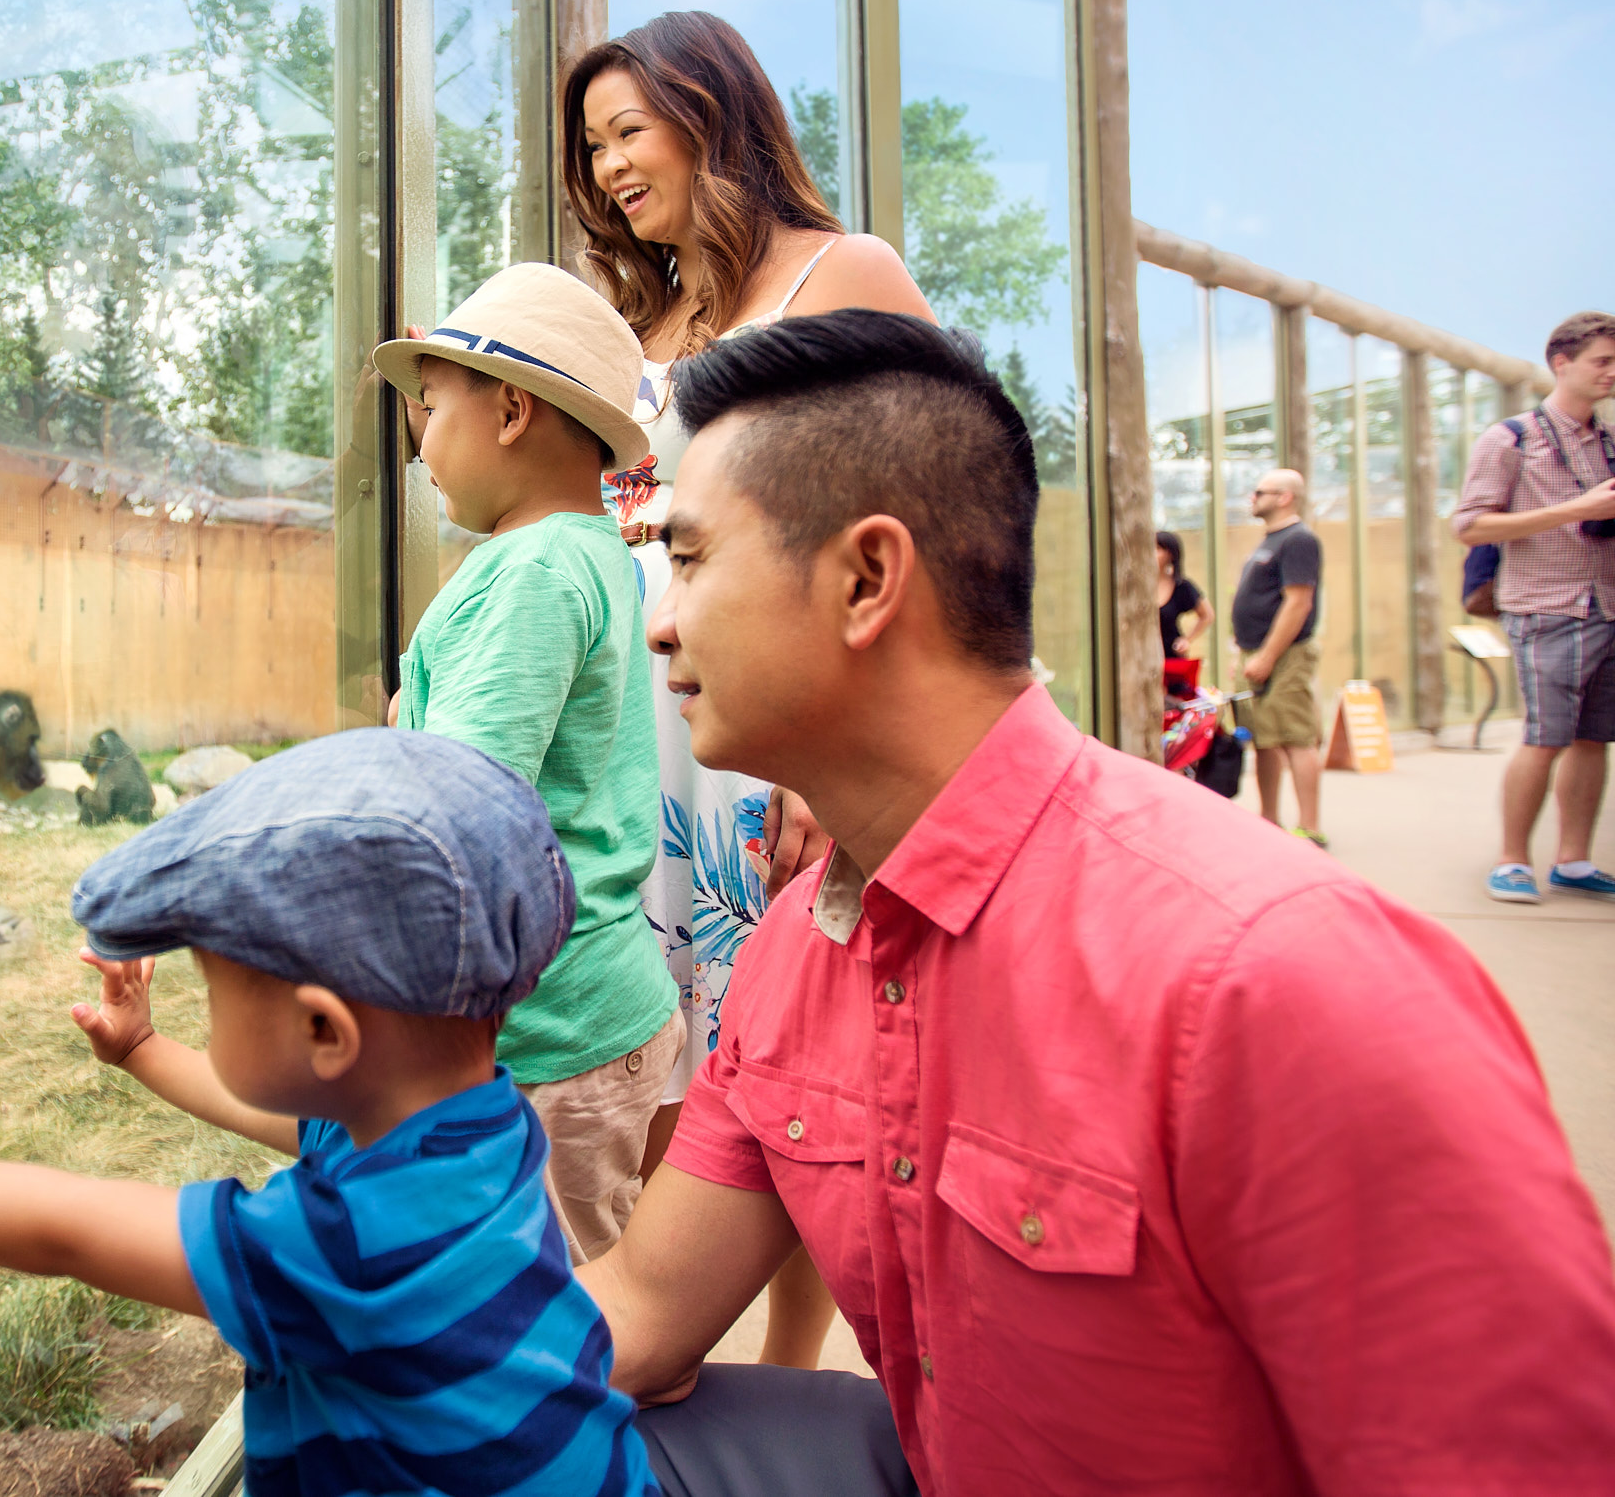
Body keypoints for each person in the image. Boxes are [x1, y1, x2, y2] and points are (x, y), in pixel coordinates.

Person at [573, 308, 1615, 1495]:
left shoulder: (1278, 980)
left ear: (868, 579)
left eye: (693, 560)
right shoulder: (795, 953)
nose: (659, 621)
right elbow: (645, 1312)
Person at [0, 731, 657, 1497]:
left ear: (324, 1028)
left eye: (213, 980)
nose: (204, 994)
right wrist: (141, 1049)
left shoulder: (349, 1247)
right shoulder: (483, 1127)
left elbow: (67, 1232)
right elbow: (302, 1127)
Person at [564, 10, 934, 1367]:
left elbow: (923, 499)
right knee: (674, 1046)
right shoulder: (636, 323)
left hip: (786, 724)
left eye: (626, 132)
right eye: (590, 148)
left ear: (710, 112)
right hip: (645, 725)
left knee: (792, 1054)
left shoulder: (845, 273)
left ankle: (789, 1371)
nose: (607, 169)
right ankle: (688, 1352)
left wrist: (820, 766)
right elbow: (622, 532)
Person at [370, 262, 683, 1263]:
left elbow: (466, 802)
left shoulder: (530, 574)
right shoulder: (593, 552)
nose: (419, 441)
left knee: (569, 1320)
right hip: (602, 995)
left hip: (546, 1035)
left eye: (428, 406)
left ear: (509, 410)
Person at [1453, 309, 1615, 904]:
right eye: (1602, 361)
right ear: (1561, 362)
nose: (1611, 374)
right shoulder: (1511, 438)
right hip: (1544, 607)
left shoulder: (1609, 442)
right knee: (1545, 735)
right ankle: (1513, 859)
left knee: (1595, 739)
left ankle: (1573, 860)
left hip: (1607, 605)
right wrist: (1576, 511)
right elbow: (1469, 525)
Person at [1232, 467, 1326, 845]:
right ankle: (1268, 819)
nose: (1253, 499)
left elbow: (1298, 602)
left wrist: (1268, 657)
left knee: (1294, 737)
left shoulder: (1299, 540)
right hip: (1255, 653)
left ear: (1285, 497)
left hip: (1284, 656)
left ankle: (1309, 826)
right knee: (1264, 739)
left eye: (1260, 493)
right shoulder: (1270, 541)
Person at [1155, 529, 1211, 659]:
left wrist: (1187, 640)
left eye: (1157, 549)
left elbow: (1207, 615)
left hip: (1171, 659)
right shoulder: (1138, 588)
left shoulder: (1181, 586)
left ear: (1170, 555)